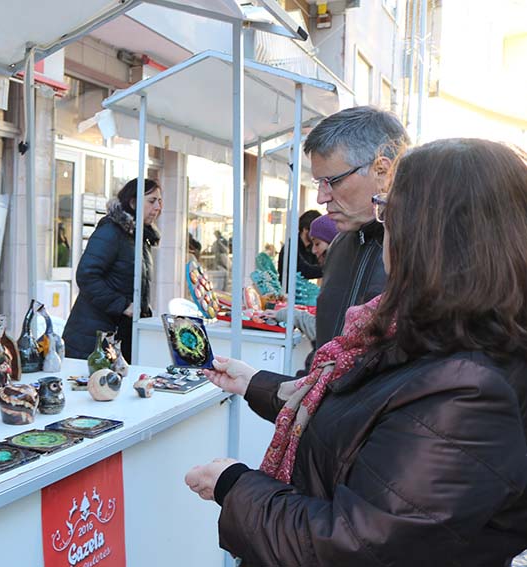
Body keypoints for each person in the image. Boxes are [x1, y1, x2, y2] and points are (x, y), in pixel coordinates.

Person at [185, 139, 527, 566]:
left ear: (429, 232)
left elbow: (357, 545)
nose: (383, 225)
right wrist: (255, 383)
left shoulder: (469, 390)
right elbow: (355, 416)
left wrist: (234, 486)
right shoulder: (421, 331)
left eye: (389, 210)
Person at [306, 106, 410, 350]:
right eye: (319, 183)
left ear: (382, 171)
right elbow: (323, 355)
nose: (321, 197)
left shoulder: (428, 251)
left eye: (332, 181)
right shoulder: (340, 245)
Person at [63, 178, 162, 363]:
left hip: (118, 338)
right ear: (133, 202)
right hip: (91, 338)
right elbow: (86, 276)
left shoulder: (140, 237)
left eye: (159, 201)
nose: (157, 207)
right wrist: (123, 305)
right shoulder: (111, 231)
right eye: (151, 201)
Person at [267, 215, 339, 342]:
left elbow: (322, 330)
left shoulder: (339, 280)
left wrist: (290, 315)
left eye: (317, 244)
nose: (313, 250)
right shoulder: (292, 247)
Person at [277, 209, 322, 284]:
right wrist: (328, 269)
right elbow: (304, 270)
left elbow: (317, 264)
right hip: (288, 292)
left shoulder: (310, 247)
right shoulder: (291, 247)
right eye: (315, 231)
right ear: (305, 229)